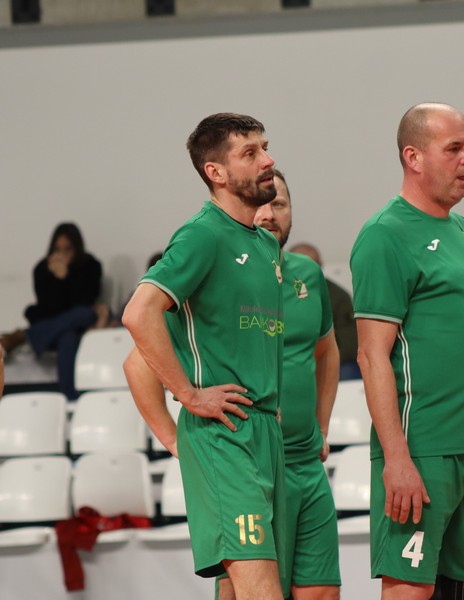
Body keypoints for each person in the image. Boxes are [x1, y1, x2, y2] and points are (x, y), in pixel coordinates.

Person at [350, 102, 464, 600]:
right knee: (410, 589)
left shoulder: (462, 228)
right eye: (454, 148)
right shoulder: (385, 235)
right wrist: (397, 459)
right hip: (424, 449)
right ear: (414, 157)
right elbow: (371, 356)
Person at [121, 113, 286, 600]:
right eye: (250, 153)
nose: (267, 160)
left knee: (239, 588)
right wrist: (188, 397)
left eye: (265, 147)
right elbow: (138, 314)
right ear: (216, 172)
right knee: (262, 590)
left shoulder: (264, 244)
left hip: (264, 431)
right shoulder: (202, 235)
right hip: (224, 435)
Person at [0, 223, 105, 399]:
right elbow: (47, 307)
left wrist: (66, 277)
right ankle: (70, 399)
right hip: (52, 328)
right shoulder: (43, 269)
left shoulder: (90, 265)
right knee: (67, 334)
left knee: (83, 317)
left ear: (76, 248)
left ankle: (26, 335)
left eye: (68, 249)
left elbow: (84, 301)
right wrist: (57, 280)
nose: (62, 254)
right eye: (58, 249)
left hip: (78, 327)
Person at [291, 242, 360, 380]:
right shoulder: (277, 293)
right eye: (298, 266)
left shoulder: (338, 297)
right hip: (289, 360)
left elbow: (350, 342)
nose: (304, 272)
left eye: (310, 266)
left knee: (348, 371)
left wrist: (327, 362)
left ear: (320, 265)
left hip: (331, 359)